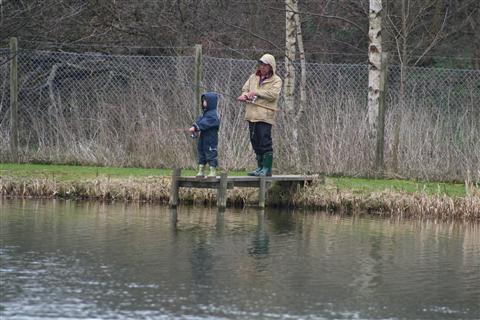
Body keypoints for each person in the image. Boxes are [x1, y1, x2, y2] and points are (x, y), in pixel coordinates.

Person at [237, 53, 282, 176]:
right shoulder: (253, 77)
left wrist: (255, 92)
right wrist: (245, 95)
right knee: (254, 141)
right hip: (251, 115)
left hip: (265, 116)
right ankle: (260, 167)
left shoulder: (276, 80)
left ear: (270, 67)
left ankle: (267, 169)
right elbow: (245, 89)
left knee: (264, 141)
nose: (261, 67)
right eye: (260, 64)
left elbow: (273, 95)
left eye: (265, 65)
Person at [189, 92, 220, 178]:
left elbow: (206, 123)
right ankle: (201, 170)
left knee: (211, 152)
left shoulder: (213, 115)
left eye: (205, 101)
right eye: (203, 101)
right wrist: (194, 126)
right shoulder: (204, 113)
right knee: (201, 150)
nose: (203, 103)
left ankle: (212, 170)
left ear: (211, 102)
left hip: (211, 138)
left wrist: (197, 127)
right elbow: (200, 120)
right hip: (203, 137)